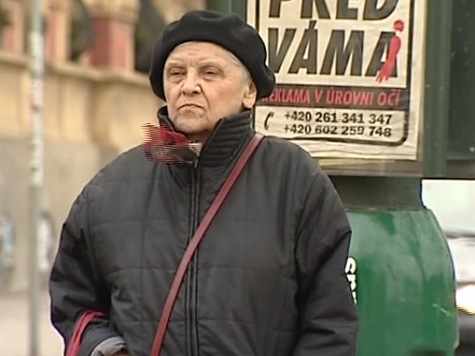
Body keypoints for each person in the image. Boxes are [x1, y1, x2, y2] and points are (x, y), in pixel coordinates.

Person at [49, 10, 357, 356]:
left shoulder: (295, 180)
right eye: (176, 73)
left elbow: (330, 324)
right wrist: (105, 347)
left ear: (250, 92)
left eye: (210, 72)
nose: (189, 85)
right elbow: (73, 301)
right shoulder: (111, 187)